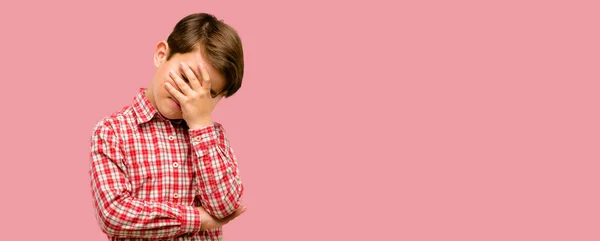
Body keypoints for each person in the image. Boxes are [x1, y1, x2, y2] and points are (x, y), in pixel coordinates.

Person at [88, 12, 247, 241]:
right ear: (162, 55)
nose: (188, 97)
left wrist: (201, 125)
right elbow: (114, 215)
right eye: (187, 77)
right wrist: (198, 220)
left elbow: (224, 207)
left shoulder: (213, 137)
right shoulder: (112, 132)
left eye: (207, 94)